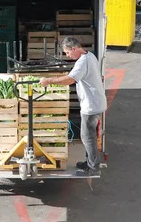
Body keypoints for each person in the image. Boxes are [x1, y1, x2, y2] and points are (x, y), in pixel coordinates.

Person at [39, 36, 107, 176]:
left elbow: (69, 80)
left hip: (91, 105)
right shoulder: (90, 56)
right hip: (95, 102)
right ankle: (90, 163)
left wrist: (49, 81)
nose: (67, 56)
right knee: (89, 136)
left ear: (74, 48)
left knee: (87, 137)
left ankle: (93, 168)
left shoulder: (83, 62)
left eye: (68, 52)